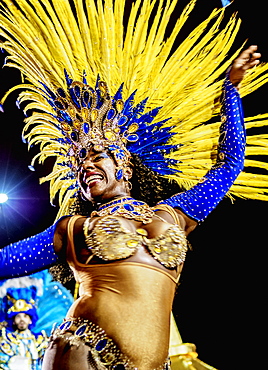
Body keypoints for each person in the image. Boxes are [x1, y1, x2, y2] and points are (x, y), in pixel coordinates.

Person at [1, 1, 268, 369]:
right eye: (79, 165)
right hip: (84, 354)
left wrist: (231, 91)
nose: (86, 168)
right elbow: (6, 260)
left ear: (123, 165)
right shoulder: (75, 229)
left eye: (96, 157)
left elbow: (229, 166)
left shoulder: (175, 215)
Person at [0, 287, 48, 370]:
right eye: (18, 316)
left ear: (30, 320)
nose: (22, 320)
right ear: (14, 321)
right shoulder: (7, 340)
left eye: (25, 316)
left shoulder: (40, 340)